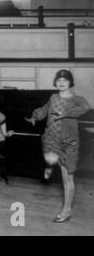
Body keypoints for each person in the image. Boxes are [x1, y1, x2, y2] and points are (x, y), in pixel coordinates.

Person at [25, 69, 90, 223]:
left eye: (65, 80)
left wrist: (66, 113)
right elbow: (43, 110)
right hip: (52, 138)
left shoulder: (77, 99)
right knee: (50, 155)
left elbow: (85, 107)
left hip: (69, 143)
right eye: (59, 80)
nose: (61, 82)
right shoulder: (53, 97)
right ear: (56, 82)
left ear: (70, 83)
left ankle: (66, 211)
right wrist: (35, 117)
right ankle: (51, 163)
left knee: (68, 179)